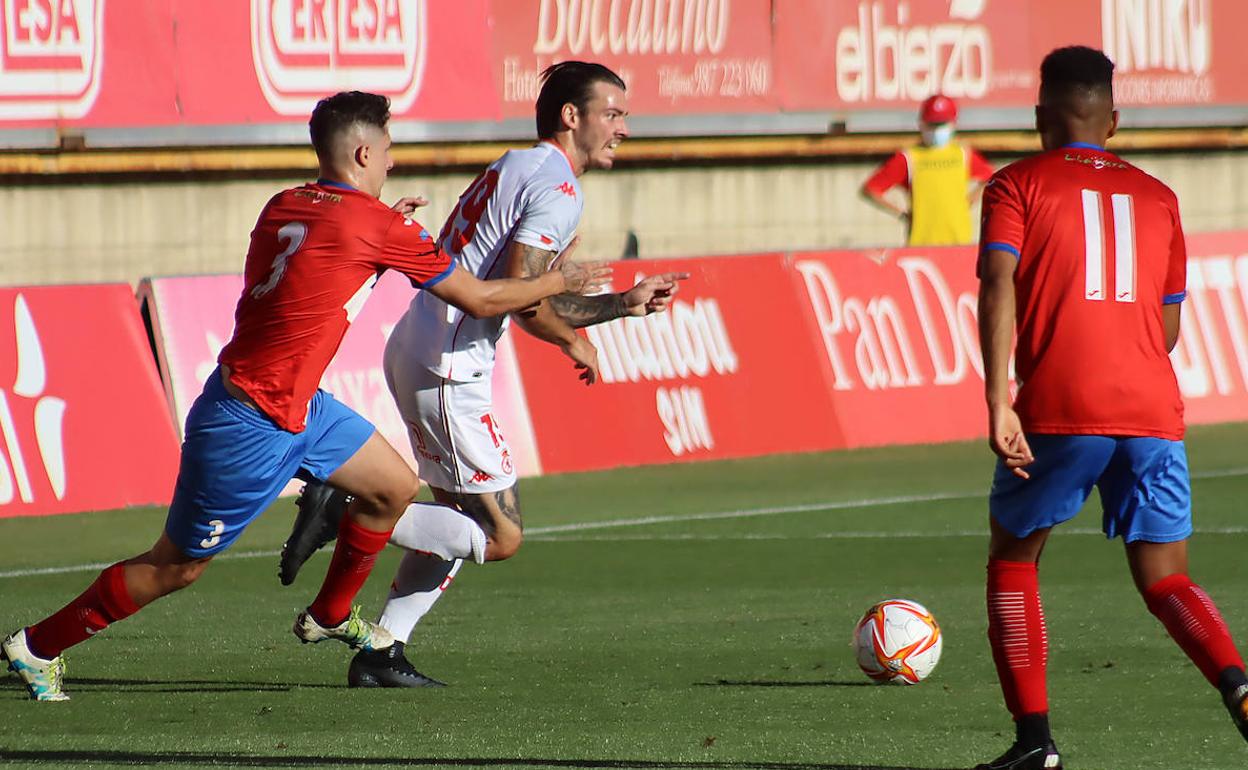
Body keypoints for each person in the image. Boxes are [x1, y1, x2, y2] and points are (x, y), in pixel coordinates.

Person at [0, 90, 610, 702]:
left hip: (301, 406)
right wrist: (562, 278)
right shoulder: (377, 226)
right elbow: (479, 298)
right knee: (175, 567)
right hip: (248, 423)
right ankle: (38, 645)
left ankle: (332, 614)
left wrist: (382, 231)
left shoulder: (286, 203)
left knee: (393, 489)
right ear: (364, 153)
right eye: (388, 150)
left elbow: (325, 259)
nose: (392, 161)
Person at [279, 62, 687, 688]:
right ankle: (344, 506)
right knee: (499, 536)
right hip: (448, 367)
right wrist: (576, 339)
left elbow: (522, 285)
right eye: (612, 114)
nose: (623, 129)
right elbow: (527, 300)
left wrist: (619, 304)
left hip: (423, 346)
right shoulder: (558, 189)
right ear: (571, 116)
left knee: (455, 523)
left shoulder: (516, 165)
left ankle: (382, 653)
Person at [975, 46, 1248, 769]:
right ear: (1114, 120)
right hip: (1152, 406)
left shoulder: (1014, 184)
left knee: (1014, 561)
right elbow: (1169, 327)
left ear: (1040, 115)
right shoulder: (1160, 197)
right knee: (1168, 579)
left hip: (1062, 405)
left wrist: (999, 399)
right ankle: (1240, 685)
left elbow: (997, 285)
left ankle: (1035, 743)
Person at [861, 93, 994, 246]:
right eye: (933, 124)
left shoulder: (963, 155)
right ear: (922, 124)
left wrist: (968, 201)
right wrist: (902, 214)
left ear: (953, 123)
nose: (937, 130)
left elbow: (990, 178)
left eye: (942, 124)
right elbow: (871, 190)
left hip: (959, 242)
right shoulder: (909, 158)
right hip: (921, 244)